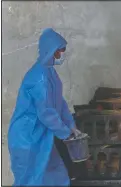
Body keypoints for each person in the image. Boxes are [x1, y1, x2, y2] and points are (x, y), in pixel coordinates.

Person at [7, 28, 81, 186]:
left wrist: (72, 126)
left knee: (56, 176)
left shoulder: (50, 73)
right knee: (29, 179)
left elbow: (60, 104)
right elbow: (46, 113)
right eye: (60, 51)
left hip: (43, 137)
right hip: (27, 138)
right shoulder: (38, 77)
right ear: (51, 51)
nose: (62, 55)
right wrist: (66, 133)